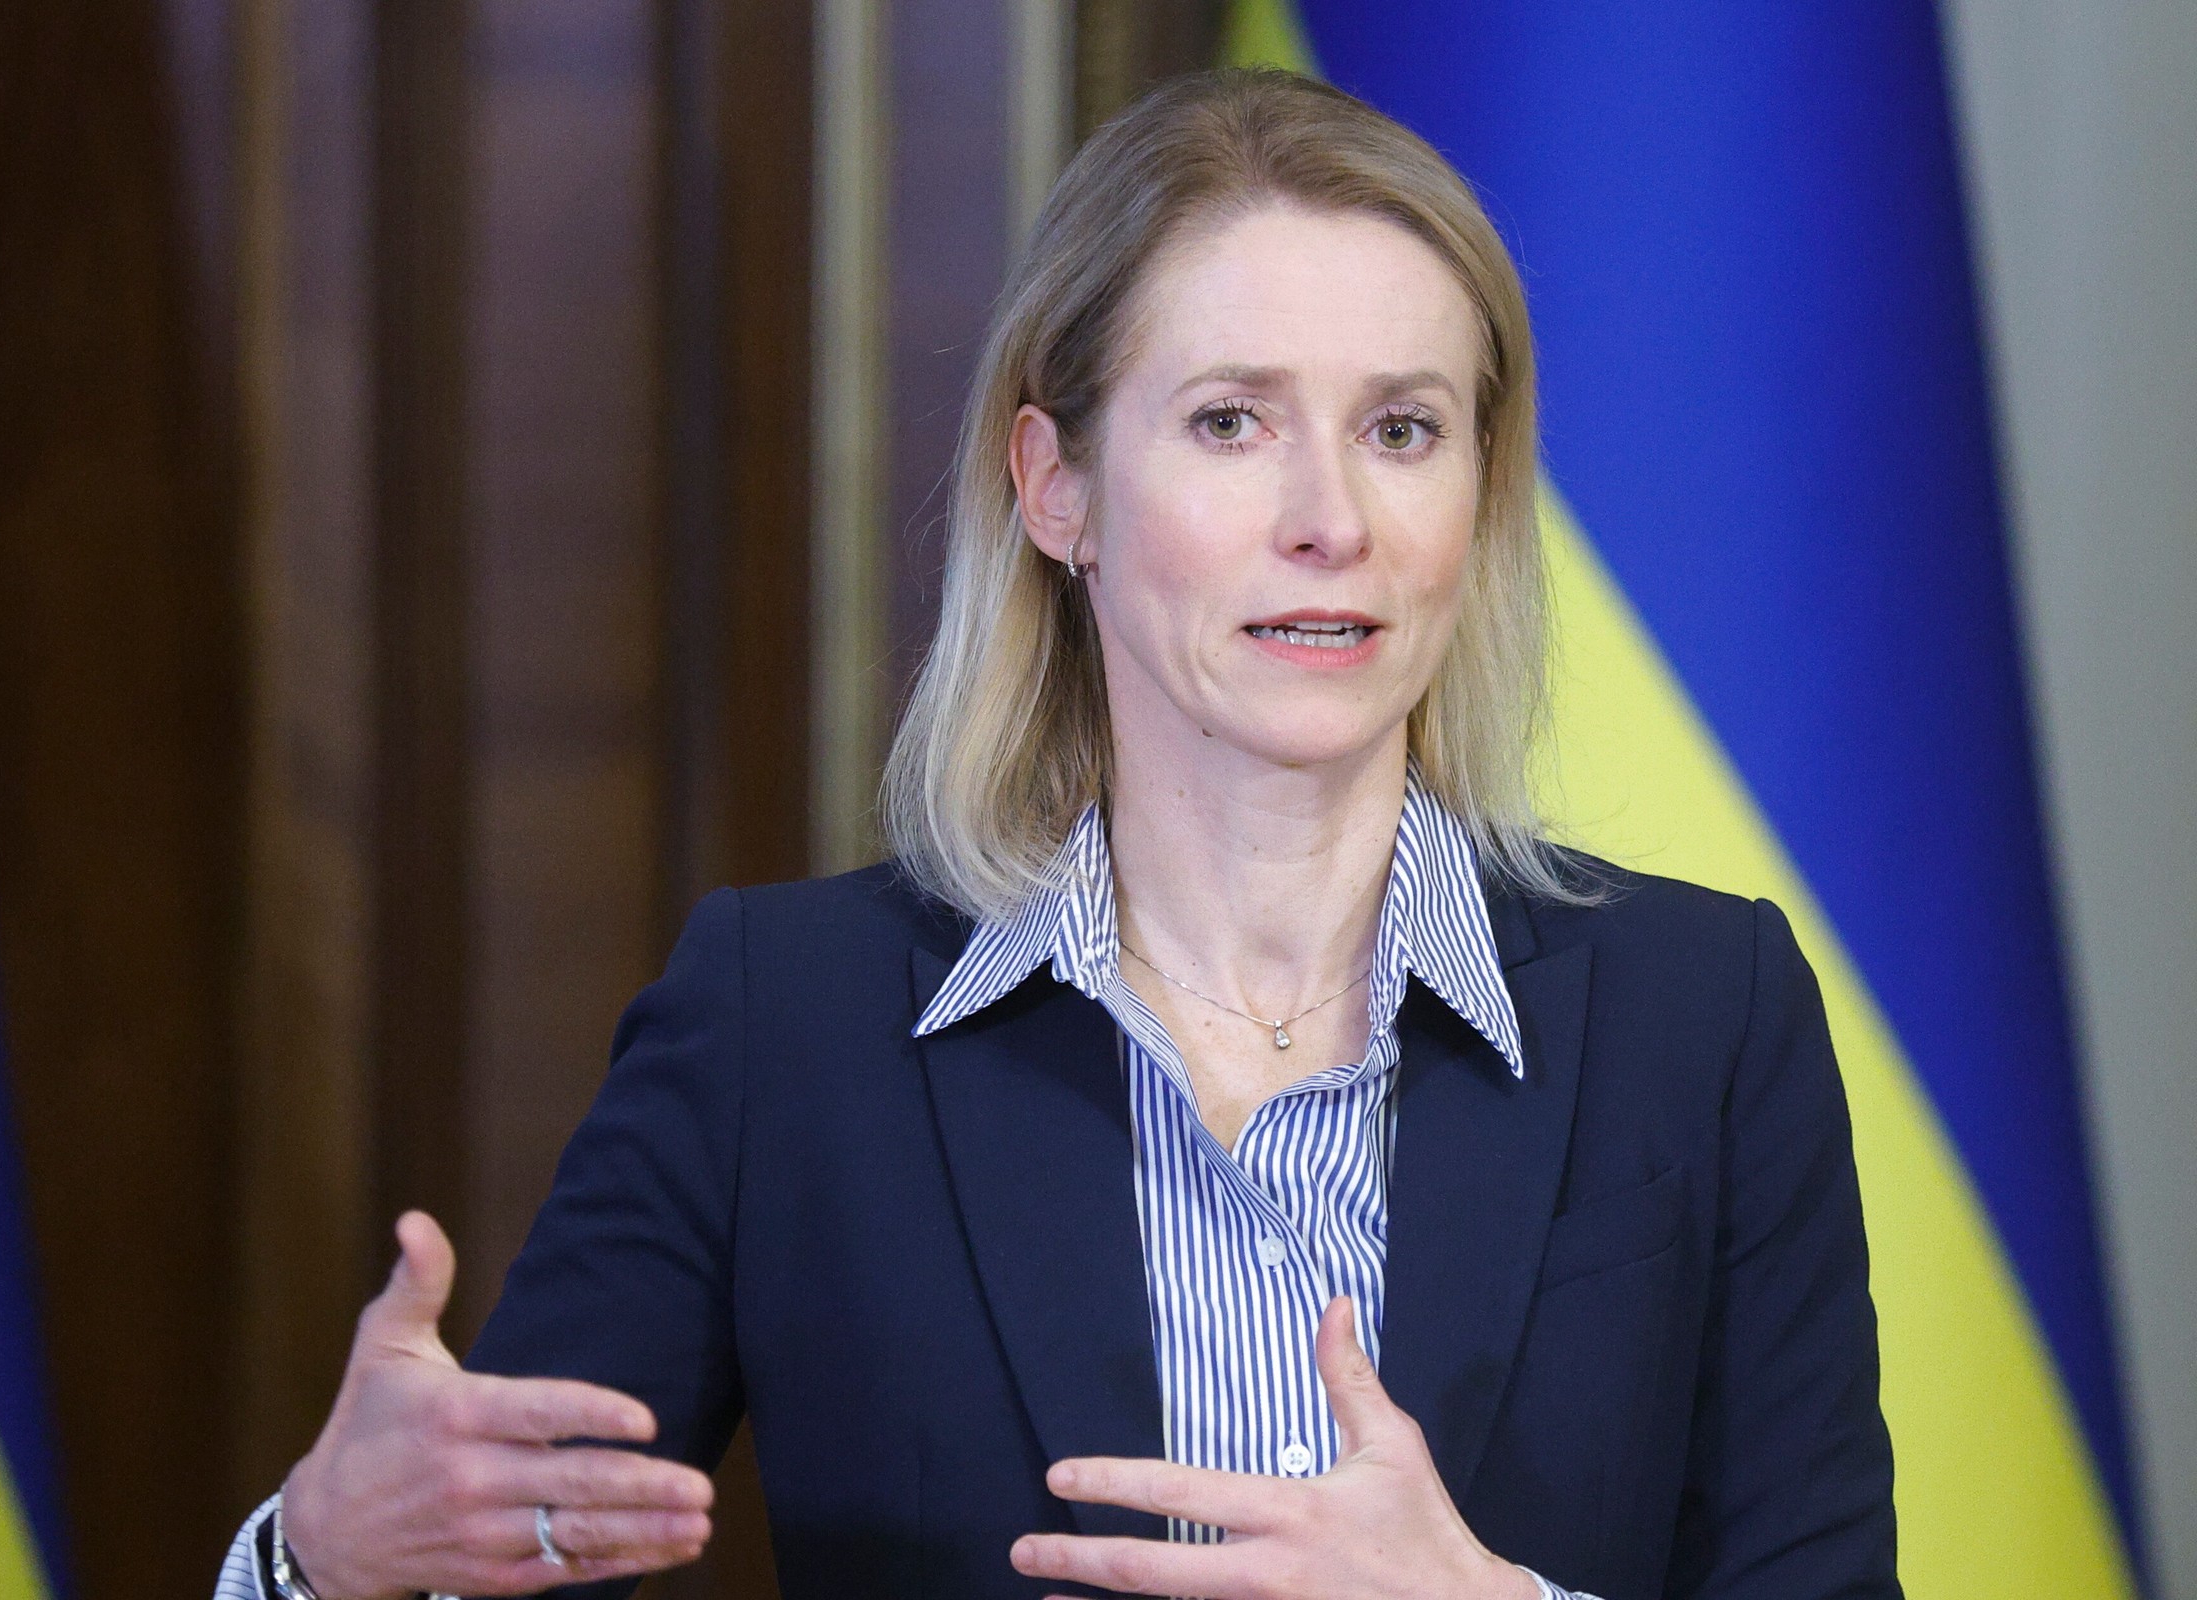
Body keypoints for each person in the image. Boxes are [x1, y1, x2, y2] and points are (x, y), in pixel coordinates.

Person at [215, 67, 1897, 1600]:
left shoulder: (1705, 1015)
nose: (1332, 521)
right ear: (1055, 487)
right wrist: (323, 1562)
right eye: (1231, 422)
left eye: (1402, 430)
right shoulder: (785, 1025)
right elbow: (501, 1548)